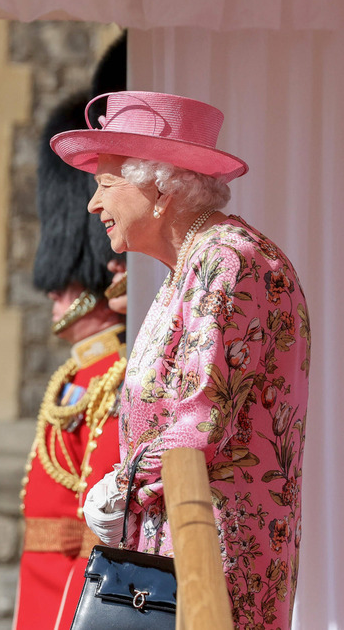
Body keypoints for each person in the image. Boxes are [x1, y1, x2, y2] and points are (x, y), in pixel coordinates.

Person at [53, 91, 310, 629]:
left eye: (104, 185)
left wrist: (120, 487)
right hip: (180, 540)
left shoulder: (227, 260)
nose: (92, 206)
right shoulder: (195, 262)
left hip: (211, 552)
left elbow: (201, 422)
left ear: (160, 187)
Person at [12, 90, 127, 629]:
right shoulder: (76, 376)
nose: (56, 290)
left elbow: (95, 529)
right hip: (39, 589)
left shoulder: (115, 376)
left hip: (70, 598)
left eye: (69, 276)